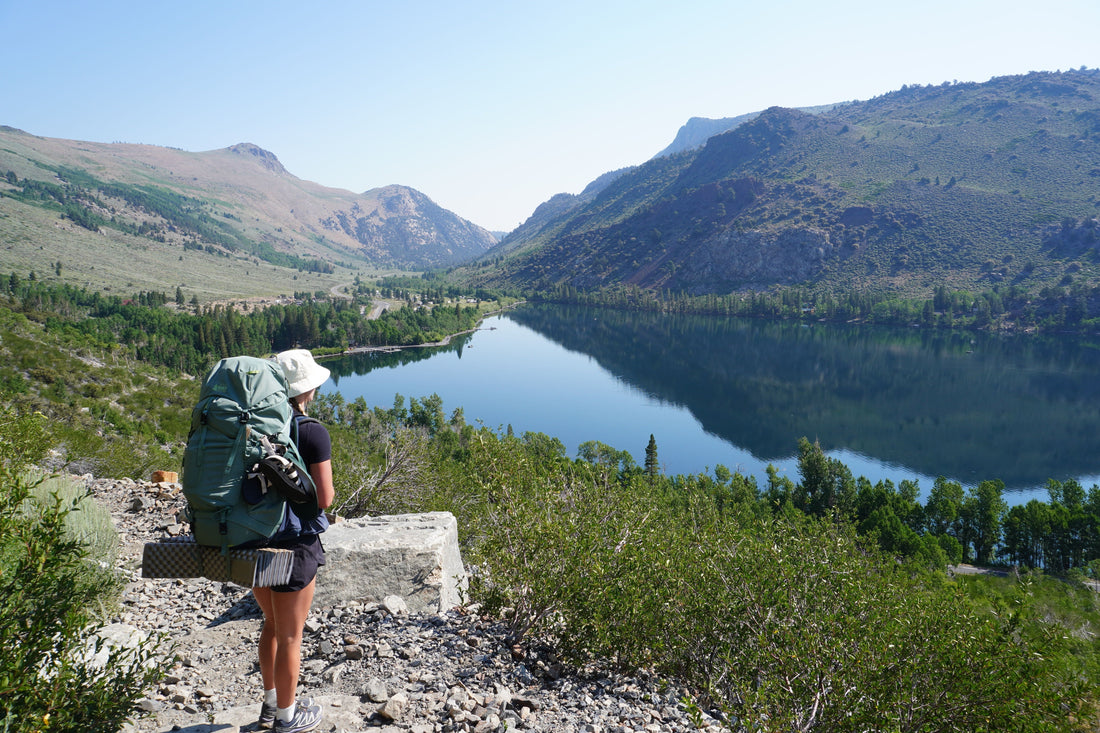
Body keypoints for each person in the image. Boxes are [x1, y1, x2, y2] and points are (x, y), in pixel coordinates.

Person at [252, 349, 335, 732]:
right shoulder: (311, 431)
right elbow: (325, 497)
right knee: (291, 635)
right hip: (295, 543)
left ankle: (270, 705)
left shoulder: (252, 428)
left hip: (254, 540)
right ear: (306, 389)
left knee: (270, 624)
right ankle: (287, 719)